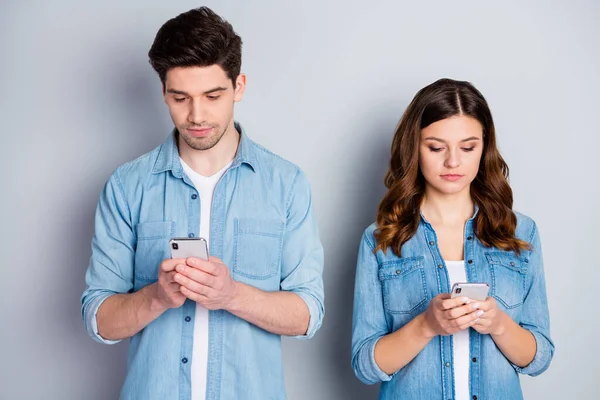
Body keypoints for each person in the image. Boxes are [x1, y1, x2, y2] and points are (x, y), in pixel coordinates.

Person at [81, 7, 324, 400]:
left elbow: (307, 314)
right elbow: (100, 319)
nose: (196, 115)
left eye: (213, 95)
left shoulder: (287, 184)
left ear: (239, 86)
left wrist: (231, 295)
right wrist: (157, 297)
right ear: (163, 93)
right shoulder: (126, 187)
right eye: (180, 97)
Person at [351, 78, 553, 399]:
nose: (453, 162)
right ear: (414, 147)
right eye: (436, 147)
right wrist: (427, 325)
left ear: (484, 147)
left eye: (468, 147)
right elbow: (365, 364)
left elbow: (539, 358)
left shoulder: (520, 234)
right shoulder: (381, 240)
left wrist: (499, 324)